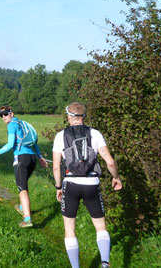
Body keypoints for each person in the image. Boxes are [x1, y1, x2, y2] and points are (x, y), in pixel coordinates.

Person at [52, 102, 122, 268]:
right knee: (100, 226)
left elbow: (56, 167)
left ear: (69, 117)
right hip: (92, 183)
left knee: (70, 229)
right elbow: (110, 162)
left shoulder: (60, 136)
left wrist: (58, 187)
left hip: (70, 183)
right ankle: (105, 263)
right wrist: (116, 177)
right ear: (84, 116)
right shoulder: (95, 133)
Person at [0, 106, 48, 228]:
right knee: (23, 184)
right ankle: (22, 207)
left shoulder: (11, 125)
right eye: (1, 116)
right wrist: (40, 157)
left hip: (21, 158)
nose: (3, 117)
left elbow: (10, 144)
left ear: (11, 113)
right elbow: (34, 143)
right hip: (31, 158)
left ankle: (27, 218)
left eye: (5, 114)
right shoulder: (22, 123)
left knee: (22, 188)